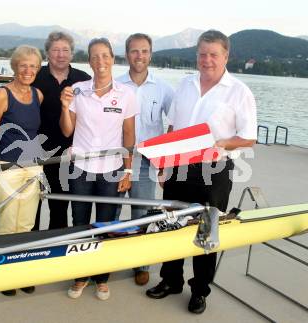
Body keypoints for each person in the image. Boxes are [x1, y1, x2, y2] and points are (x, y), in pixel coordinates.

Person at [145, 30, 257, 314]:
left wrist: (223, 143)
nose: (207, 60)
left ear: (226, 56)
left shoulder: (239, 91)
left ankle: (200, 291)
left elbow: (249, 136)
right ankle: (170, 280)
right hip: (178, 167)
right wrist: (164, 163)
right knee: (171, 223)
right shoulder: (184, 84)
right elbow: (173, 127)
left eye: (213, 54)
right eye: (202, 54)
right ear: (197, 55)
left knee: (207, 231)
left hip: (214, 169)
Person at [60, 38, 138, 300]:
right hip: (80, 168)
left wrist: (128, 172)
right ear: (89, 61)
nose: (100, 61)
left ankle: (102, 277)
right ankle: (81, 274)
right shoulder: (78, 90)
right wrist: (64, 106)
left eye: (105, 56)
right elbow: (67, 130)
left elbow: (129, 135)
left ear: (113, 59)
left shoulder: (126, 94)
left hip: (112, 169)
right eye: (95, 56)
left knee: (107, 224)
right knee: (80, 223)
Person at [116, 33, 174, 286]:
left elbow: (174, 122)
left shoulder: (163, 88)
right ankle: (109, 261)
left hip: (148, 161)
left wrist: (165, 161)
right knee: (112, 210)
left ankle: (142, 264)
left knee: (143, 213)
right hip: (117, 160)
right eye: (134, 51)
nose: (139, 56)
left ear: (150, 54)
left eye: (144, 51)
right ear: (127, 54)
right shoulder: (115, 85)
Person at [0, 45, 44, 296]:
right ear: (14, 67)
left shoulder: (38, 95)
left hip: (32, 166)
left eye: (33, 66)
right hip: (6, 167)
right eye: (23, 65)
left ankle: (21, 271)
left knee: (26, 222)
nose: (28, 70)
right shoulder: (2, 94)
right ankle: (3, 275)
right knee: (8, 222)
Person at [32, 31, 91, 230]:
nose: (61, 54)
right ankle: (29, 254)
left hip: (67, 156)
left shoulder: (83, 81)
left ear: (72, 54)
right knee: (32, 209)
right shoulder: (34, 76)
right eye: (55, 50)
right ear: (47, 53)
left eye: (65, 50)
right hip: (34, 155)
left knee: (59, 209)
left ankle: (56, 255)